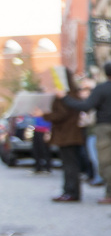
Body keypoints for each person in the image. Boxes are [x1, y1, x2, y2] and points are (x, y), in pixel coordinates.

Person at [64, 60, 111, 204]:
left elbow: (86, 106)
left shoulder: (101, 89)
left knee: (106, 161)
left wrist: (65, 98)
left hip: (105, 127)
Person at [37, 70, 85, 201]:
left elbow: (61, 114)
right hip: (70, 134)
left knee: (70, 165)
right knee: (70, 164)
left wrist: (44, 114)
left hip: (67, 134)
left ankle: (71, 192)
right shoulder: (72, 94)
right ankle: (70, 191)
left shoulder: (65, 96)